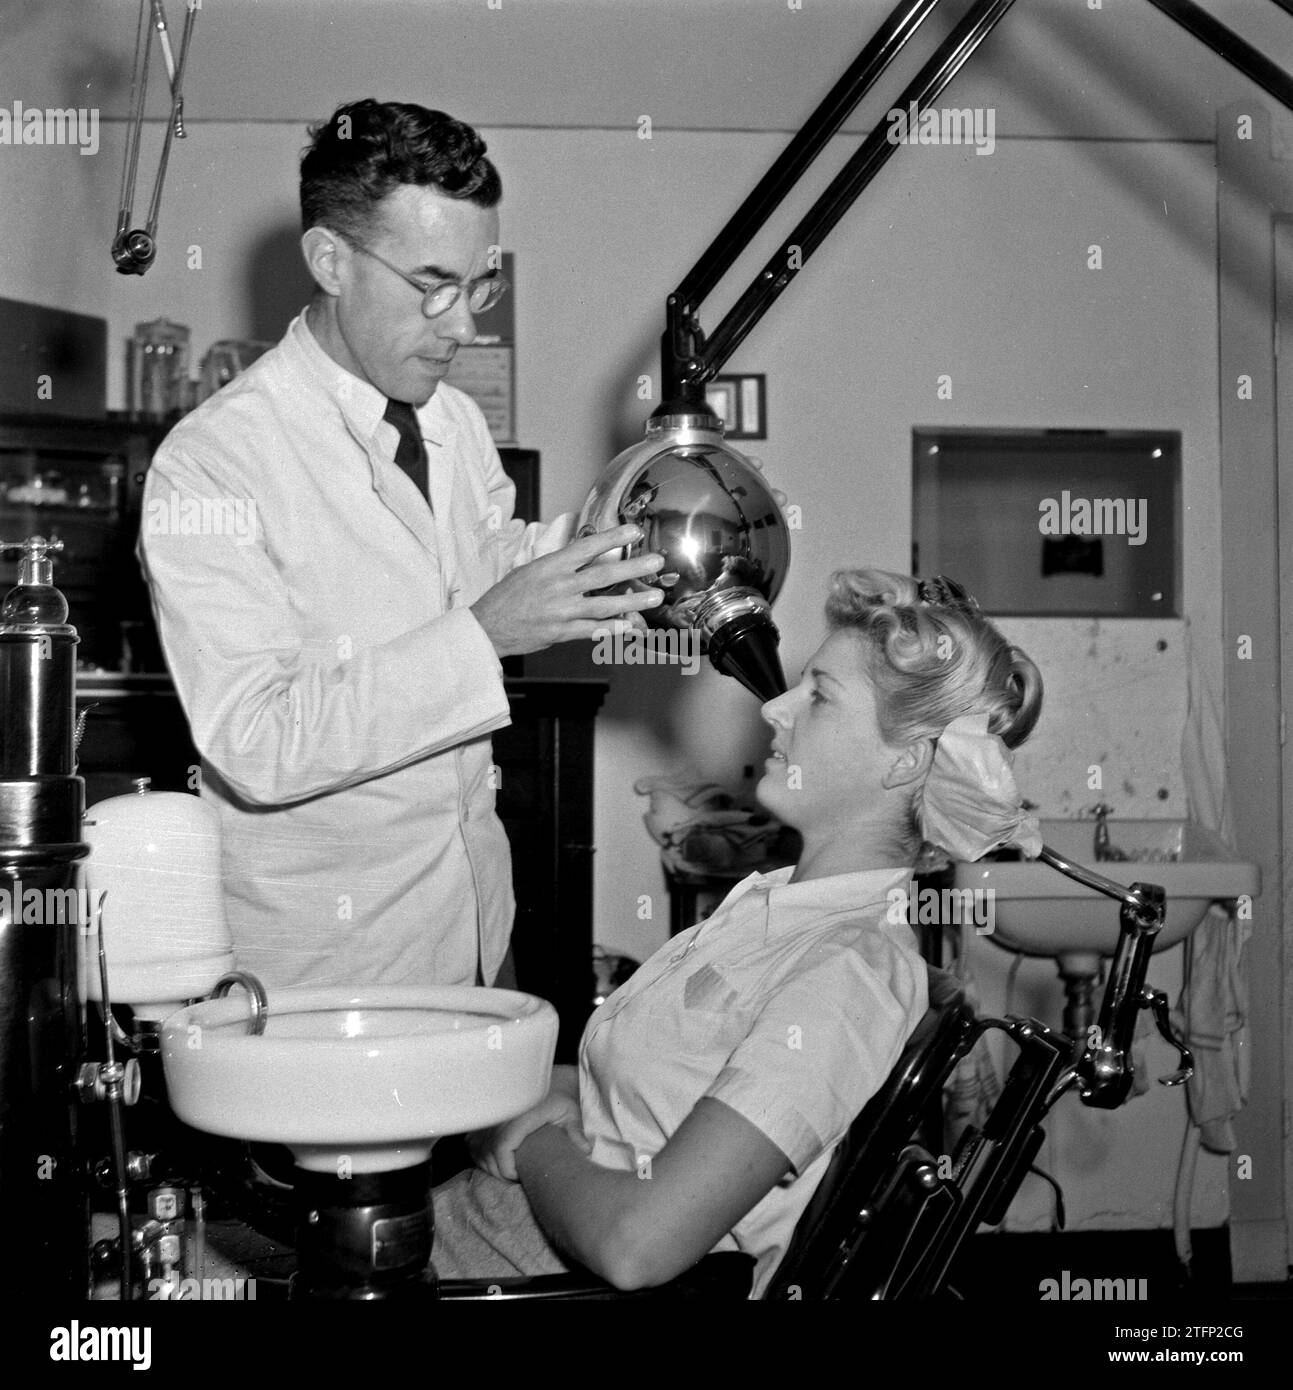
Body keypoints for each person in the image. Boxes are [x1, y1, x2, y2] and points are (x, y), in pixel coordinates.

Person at [138, 100, 663, 990]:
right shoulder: (212, 465)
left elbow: (477, 559)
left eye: (481, 284)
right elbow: (256, 742)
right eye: (433, 285)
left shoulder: (451, 418)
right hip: (324, 965)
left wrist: (624, 524)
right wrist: (486, 635)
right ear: (330, 261)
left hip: (468, 919)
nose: (464, 326)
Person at [430, 568, 1044, 1297]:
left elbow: (639, 1247)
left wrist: (529, 1141)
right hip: (460, 1234)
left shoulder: (847, 968)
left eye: (818, 695)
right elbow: (651, 1097)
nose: (778, 709)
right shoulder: (774, 907)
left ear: (905, 760)